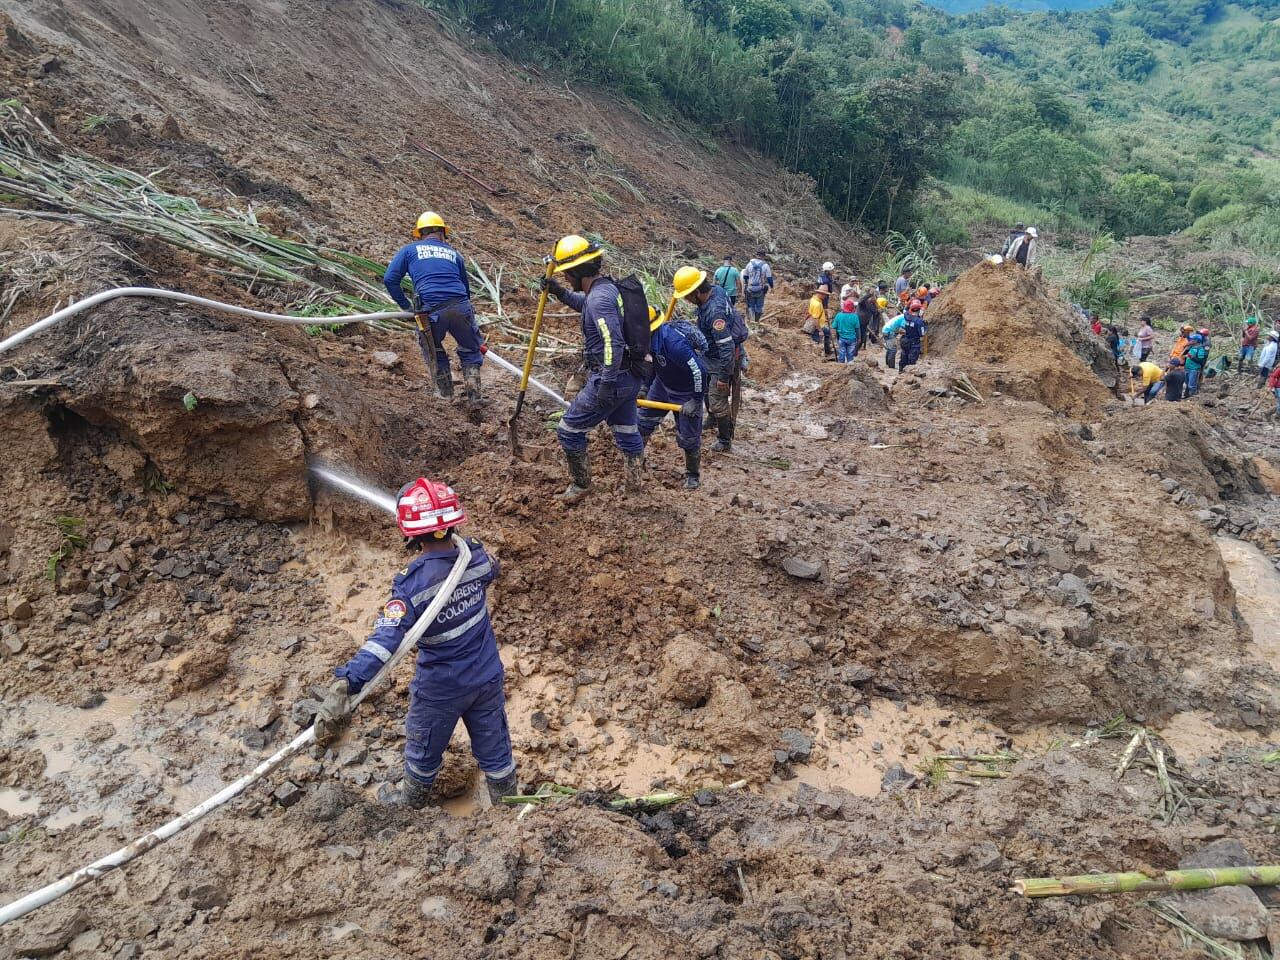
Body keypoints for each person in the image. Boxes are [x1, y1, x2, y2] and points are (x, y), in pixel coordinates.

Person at [313, 478, 516, 808]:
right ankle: (510, 809)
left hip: (441, 690)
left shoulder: (411, 585)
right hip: (487, 677)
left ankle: (410, 807)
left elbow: (385, 643)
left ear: (409, 531)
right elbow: (494, 568)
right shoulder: (476, 558)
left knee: (423, 749)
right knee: (495, 747)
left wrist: (348, 682)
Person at [543, 234, 645, 500]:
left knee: (568, 431)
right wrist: (560, 293)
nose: (566, 278)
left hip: (612, 377)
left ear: (578, 271)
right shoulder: (605, 289)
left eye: (567, 274)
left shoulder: (599, 299)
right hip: (628, 376)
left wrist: (606, 383)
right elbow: (585, 305)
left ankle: (581, 485)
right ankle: (635, 486)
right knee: (626, 430)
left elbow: (613, 342)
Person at [384, 211, 484, 403]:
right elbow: (465, 289)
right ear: (442, 233)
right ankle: (475, 397)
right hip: (460, 306)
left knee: (433, 349)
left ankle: (445, 395)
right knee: (471, 350)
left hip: (430, 311)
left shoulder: (409, 250)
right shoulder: (454, 254)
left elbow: (390, 279)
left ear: (420, 234)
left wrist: (406, 306)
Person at [638, 300, 708, 489]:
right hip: (661, 386)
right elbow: (653, 363)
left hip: (686, 392)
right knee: (641, 424)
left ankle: (692, 476)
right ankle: (636, 467)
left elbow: (699, 371)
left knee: (689, 438)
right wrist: (645, 387)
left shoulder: (674, 344)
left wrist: (696, 400)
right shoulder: (647, 341)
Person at [682, 266, 746, 453]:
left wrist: (724, 377)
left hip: (721, 359)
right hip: (709, 355)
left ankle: (724, 440)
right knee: (704, 389)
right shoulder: (716, 290)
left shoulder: (715, 312)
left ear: (696, 292)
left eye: (687, 296)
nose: (686, 300)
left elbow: (726, 347)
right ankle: (712, 418)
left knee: (717, 399)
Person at [741, 249, 774, 324]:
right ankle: (757, 321)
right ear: (763, 256)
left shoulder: (749, 264)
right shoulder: (765, 265)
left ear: (756, 255)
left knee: (751, 306)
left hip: (750, 288)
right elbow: (769, 278)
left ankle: (751, 321)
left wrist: (746, 284)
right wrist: (772, 287)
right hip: (760, 289)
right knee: (759, 306)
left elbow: (745, 276)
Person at [898, 299, 926, 371]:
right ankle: (909, 372)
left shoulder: (907, 317)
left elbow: (906, 311)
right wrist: (924, 325)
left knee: (904, 355)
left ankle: (901, 370)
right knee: (912, 358)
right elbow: (922, 334)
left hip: (905, 340)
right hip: (914, 343)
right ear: (919, 310)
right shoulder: (919, 322)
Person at [832, 298, 861, 363]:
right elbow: (857, 329)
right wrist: (859, 339)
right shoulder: (855, 316)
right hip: (852, 339)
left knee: (841, 352)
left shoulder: (839, 315)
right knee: (850, 353)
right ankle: (850, 365)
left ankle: (841, 365)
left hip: (842, 338)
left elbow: (834, 326)